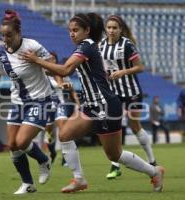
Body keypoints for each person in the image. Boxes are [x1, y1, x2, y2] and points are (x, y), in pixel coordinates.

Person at [21, 12, 164, 192]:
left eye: (76, 30)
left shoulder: (87, 46)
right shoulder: (85, 46)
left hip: (104, 105)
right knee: (64, 135)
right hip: (91, 105)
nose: (71, 34)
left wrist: (36, 60)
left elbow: (65, 69)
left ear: (87, 31)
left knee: (114, 154)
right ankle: (79, 179)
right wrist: (36, 66)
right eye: (70, 30)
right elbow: (61, 70)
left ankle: (154, 172)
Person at [0, 9, 52, 194]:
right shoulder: (0, 55)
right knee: (11, 144)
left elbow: (51, 64)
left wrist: (37, 60)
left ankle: (43, 160)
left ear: (18, 33)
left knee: (21, 141)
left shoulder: (31, 46)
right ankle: (28, 184)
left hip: (40, 101)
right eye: (2, 35)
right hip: (18, 103)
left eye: (8, 35)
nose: (5, 39)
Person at [99, 15, 157, 179]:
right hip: (113, 92)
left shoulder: (127, 44)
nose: (111, 31)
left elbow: (140, 67)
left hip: (131, 91)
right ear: (105, 29)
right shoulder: (101, 45)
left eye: (114, 28)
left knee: (134, 125)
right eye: (109, 27)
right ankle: (115, 165)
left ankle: (152, 161)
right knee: (114, 127)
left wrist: (123, 72)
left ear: (121, 29)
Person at [46, 52, 87, 193]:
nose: (51, 61)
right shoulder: (42, 74)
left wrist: (77, 102)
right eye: (49, 59)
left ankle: (66, 159)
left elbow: (71, 89)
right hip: (46, 107)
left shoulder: (62, 73)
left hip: (60, 105)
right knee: (49, 133)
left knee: (63, 133)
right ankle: (52, 153)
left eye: (53, 59)